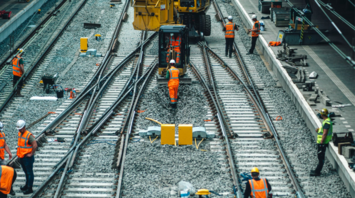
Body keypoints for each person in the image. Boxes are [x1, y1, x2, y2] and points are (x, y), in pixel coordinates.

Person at [16, 120, 37, 194]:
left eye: (21, 128)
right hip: (22, 157)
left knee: (29, 172)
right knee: (26, 172)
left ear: (24, 127)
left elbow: (35, 144)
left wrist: (31, 153)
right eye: (19, 129)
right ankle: (27, 185)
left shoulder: (28, 135)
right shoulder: (20, 133)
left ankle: (29, 188)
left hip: (27, 158)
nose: (19, 130)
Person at [310, 108, 333, 176]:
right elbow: (323, 130)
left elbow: (325, 133)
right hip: (322, 142)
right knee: (320, 157)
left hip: (323, 143)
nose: (320, 115)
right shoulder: (326, 121)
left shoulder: (327, 123)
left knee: (321, 157)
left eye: (321, 114)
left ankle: (317, 172)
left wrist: (321, 142)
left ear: (323, 115)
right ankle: (317, 171)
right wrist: (318, 130)